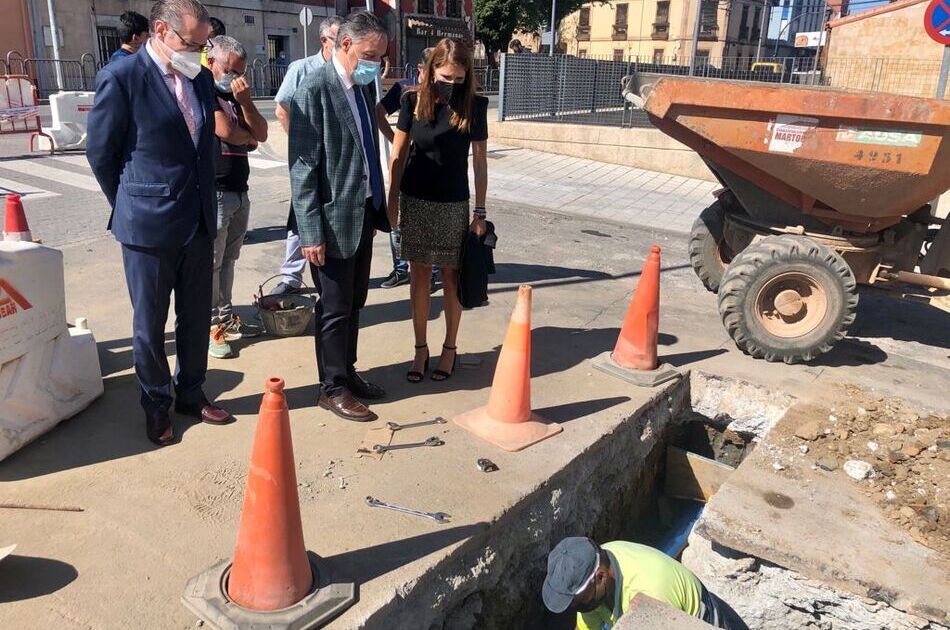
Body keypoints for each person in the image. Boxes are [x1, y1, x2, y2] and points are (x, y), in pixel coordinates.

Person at [86, 0, 232, 446]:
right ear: (161, 31)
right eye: (192, 43)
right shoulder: (122, 77)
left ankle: (190, 391)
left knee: (195, 316)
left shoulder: (201, 78)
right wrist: (131, 201)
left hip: (198, 219)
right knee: (150, 323)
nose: (200, 52)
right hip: (147, 225)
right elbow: (101, 153)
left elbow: (203, 145)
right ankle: (155, 403)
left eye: (204, 45)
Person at [288, 10, 390, 422]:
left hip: (361, 211)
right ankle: (331, 388)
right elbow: (302, 169)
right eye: (370, 55)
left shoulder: (363, 87)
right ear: (345, 45)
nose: (375, 65)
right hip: (329, 221)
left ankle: (347, 373)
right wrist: (311, 232)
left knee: (356, 301)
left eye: (380, 58)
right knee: (333, 306)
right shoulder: (314, 89)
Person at [387, 38, 488, 382]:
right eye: (446, 77)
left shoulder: (474, 105)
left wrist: (481, 212)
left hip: (453, 202)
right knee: (418, 276)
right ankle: (419, 349)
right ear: (432, 71)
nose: (452, 85)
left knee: (449, 277)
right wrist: (392, 201)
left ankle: (449, 349)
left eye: (459, 79)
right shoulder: (412, 101)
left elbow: (480, 162)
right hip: (415, 199)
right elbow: (397, 156)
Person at [205, 35, 268, 359]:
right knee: (212, 265)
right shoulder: (205, 90)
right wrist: (246, 137)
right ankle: (212, 326)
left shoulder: (235, 96)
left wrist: (245, 103)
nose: (235, 77)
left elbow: (261, 135)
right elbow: (228, 133)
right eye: (230, 69)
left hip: (239, 191)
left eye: (240, 71)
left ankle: (225, 317)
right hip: (215, 191)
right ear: (211, 62)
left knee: (229, 261)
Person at [270, 15, 342, 296]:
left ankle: (328, 267)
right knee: (301, 213)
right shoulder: (302, 69)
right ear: (324, 40)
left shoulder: (345, 68)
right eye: (339, 39)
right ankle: (290, 275)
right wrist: (301, 148)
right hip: (309, 157)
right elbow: (282, 108)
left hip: (336, 160)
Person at [543, 537, 746, 630]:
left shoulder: (651, 592)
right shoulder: (595, 565)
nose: (575, 606)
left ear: (601, 577)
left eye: (577, 600)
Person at [375, 47, 439, 291]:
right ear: (421, 70)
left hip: (433, 168)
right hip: (406, 165)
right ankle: (401, 269)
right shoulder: (405, 90)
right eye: (432, 72)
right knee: (398, 220)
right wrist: (397, 141)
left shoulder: (444, 92)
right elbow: (378, 113)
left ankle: (432, 271)